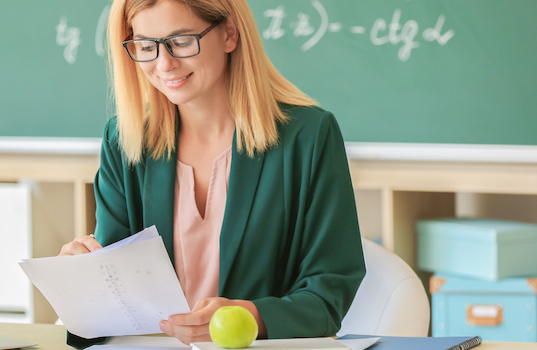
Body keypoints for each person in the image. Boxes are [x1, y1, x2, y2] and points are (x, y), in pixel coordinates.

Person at [58, 0, 365, 347]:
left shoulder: (308, 136)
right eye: (146, 47)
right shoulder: (125, 142)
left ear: (230, 35)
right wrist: (80, 280)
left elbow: (328, 295)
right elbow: (116, 302)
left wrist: (250, 317)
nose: (164, 63)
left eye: (182, 41)